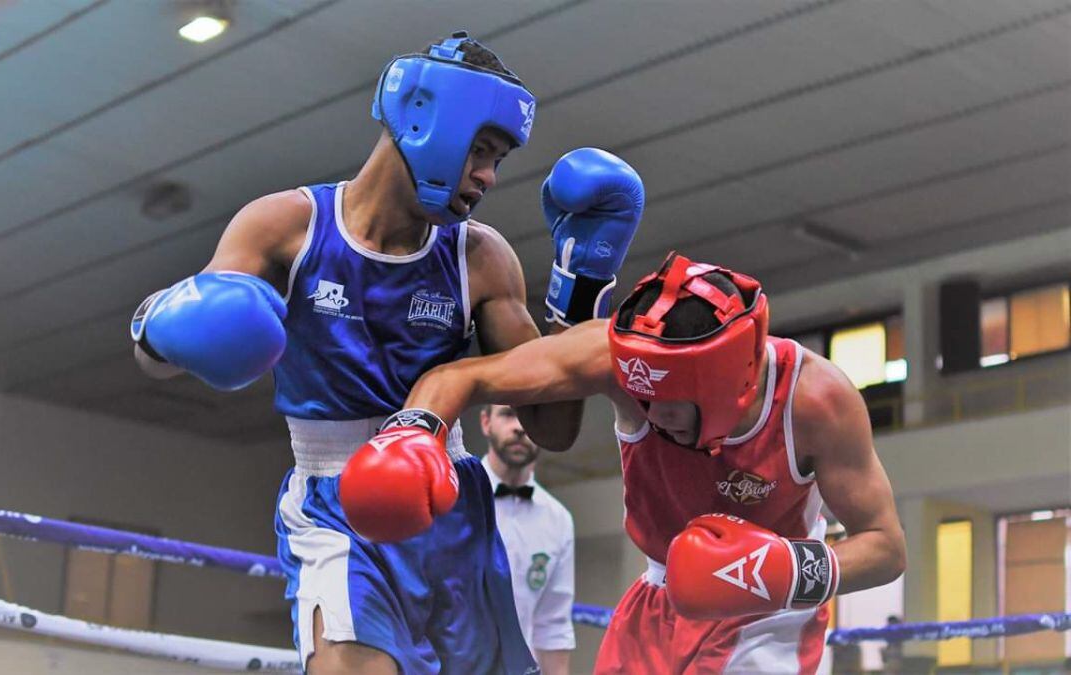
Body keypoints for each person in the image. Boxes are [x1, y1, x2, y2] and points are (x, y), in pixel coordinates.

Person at [129, 32, 643, 675]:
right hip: (336, 503)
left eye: (499, 159)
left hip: (452, 503)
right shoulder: (286, 227)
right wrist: (157, 325)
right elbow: (162, 358)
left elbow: (554, 427)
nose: (488, 175)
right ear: (427, 118)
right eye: (481, 150)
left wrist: (581, 295)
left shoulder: (479, 257)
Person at [352, 251, 907, 674]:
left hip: (767, 618)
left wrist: (776, 571)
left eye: (670, 400)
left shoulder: (817, 400)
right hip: (655, 600)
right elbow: (462, 377)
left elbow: (885, 548)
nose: (652, 413)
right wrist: (414, 433)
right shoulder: (619, 359)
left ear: (728, 382)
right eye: (642, 395)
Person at [480, 404, 576, 675]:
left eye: (532, 417)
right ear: (486, 422)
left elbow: (553, 625)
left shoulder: (558, 519)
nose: (520, 427)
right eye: (509, 414)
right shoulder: (455, 499)